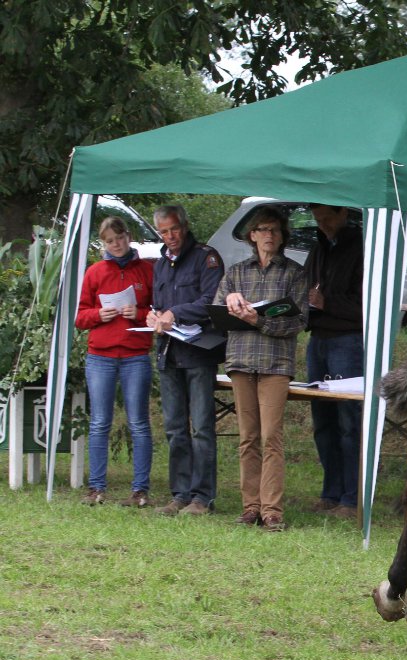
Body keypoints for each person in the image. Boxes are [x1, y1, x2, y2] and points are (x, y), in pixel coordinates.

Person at [215, 206, 309, 532]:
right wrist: (229, 304)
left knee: (272, 437)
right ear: (251, 234)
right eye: (263, 229)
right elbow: (217, 313)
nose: (269, 236)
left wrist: (260, 321)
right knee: (247, 438)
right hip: (241, 361)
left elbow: (298, 322)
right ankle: (250, 506)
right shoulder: (235, 273)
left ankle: (272, 510)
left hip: (275, 364)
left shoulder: (294, 274)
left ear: (282, 236)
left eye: (275, 230)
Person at [146, 204, 225, 517]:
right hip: (169, 353)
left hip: (199, 353)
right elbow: (159, 303)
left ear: (185, 225)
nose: (170, 236)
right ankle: (179, 494)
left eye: (174, 229)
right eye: (163, 232)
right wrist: (154, 314)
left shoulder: (207, 257)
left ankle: (202, 497)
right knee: (175, 428)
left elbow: (211, 302)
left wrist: (175, 313)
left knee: (202, 427)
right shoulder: (160, 264)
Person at [74, 216, 155, 507]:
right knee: (99, 423)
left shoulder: (147, 270)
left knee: (139, 423)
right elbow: (80, 317)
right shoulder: (95, 272)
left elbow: (159, 312)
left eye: (119, 238)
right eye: (110, 241)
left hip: (135, 355)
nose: (116, 245)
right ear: (103, 244)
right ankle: (96, 487)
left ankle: (140, 490)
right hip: (101, 356)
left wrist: (139, 312)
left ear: (128, 236)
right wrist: (98, 315)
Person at [301, 203, 363, 519]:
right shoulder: (319, 247)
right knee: (323, 421)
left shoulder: (363, 247)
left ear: (343, 215)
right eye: (318, 219)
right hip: (318, 340)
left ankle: (352, 498)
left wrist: (327, 302)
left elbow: (368, 305)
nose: (323, 224)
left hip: (348, 340)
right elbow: (306, 286)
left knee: (349, 421)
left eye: (327, 218)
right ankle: (331, 491)